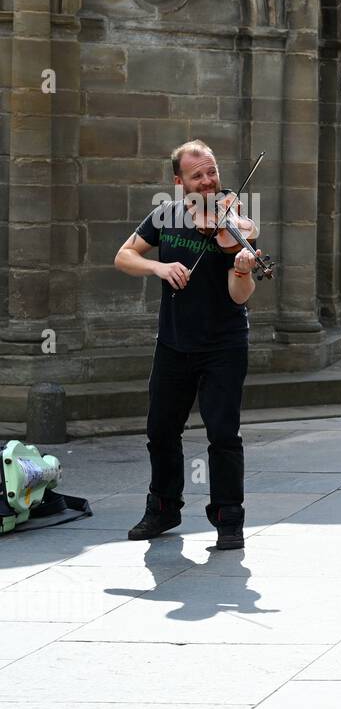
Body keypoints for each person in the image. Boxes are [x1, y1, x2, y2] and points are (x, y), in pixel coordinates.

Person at [113, 140, 264, 550]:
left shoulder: (236, 223)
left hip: (224, 344)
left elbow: (239, 296)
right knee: (160, 429)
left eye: (211, 171)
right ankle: (164, 507)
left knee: (223, 433)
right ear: (179, 182)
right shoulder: (165, 216)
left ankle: (229, 517)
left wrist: (243, 269)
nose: (208, 181)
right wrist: (157, 266)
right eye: (197, 175)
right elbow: (124, 256)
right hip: (174, 342)